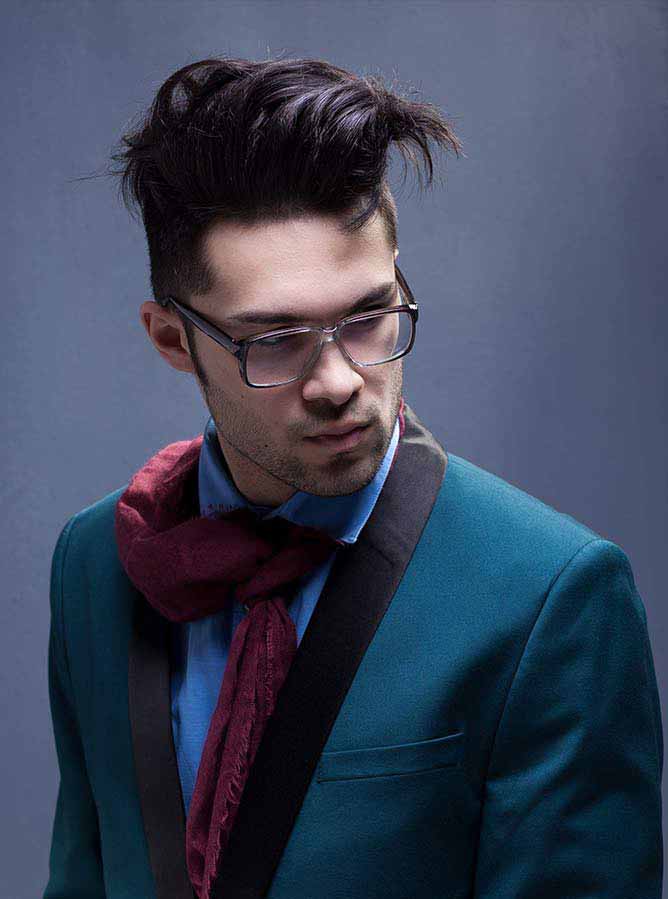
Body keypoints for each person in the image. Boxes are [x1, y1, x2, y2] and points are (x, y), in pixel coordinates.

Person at [44, 56, 663, 899]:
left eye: (370, 316)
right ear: (171, 340)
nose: (338, 381)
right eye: (276, 340)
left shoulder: (551, 597)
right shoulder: (95, 563)